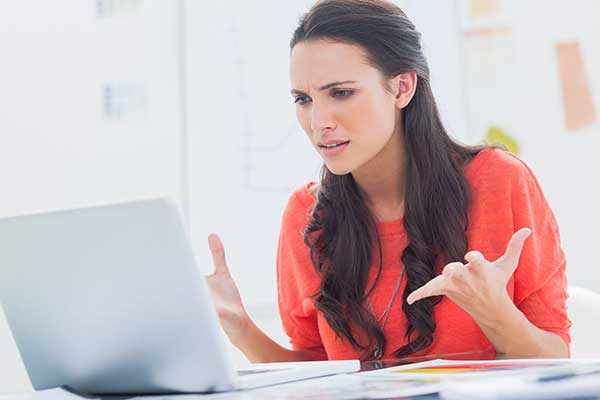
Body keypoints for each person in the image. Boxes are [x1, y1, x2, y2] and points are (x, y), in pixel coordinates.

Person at [205, 0, 571, 362]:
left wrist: (494, 312)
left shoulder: (498, 180)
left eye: (341, 93)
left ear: (402, 88)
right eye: (303, 99)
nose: (318, 123)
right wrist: (240, 328)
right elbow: (316, 376)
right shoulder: (307, 214)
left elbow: (557, 358)